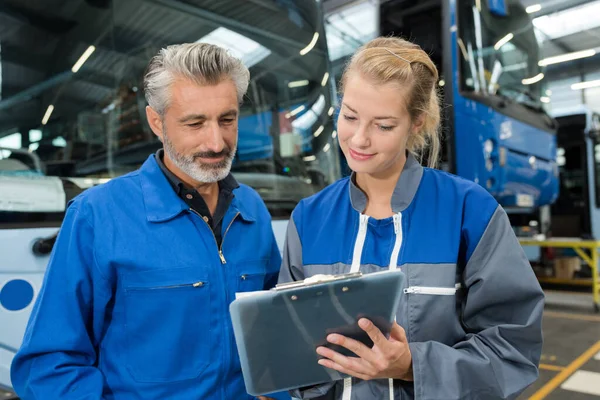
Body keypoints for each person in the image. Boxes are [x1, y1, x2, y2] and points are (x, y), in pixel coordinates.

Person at [11, 43, 288, 400]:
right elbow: (47, 365)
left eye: (227, 119)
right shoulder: (98, 215)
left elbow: (274, 332)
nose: (216, 141)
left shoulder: (251, 209)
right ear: (156, 121)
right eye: (195, 122)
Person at [278, 37, 544, 399]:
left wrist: (411, 366)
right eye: (350, 115)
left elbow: (513, 349)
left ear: (416, 123)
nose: (359, 138)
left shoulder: (470, 211)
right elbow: (290, 346)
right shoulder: (309, 219)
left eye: (383, 126)